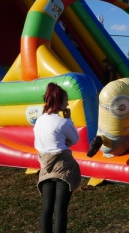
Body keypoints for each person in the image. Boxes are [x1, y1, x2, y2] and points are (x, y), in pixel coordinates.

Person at [34, 83, 81, 233]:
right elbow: (75, 139)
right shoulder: (63, 122)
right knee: (60, 210)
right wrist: (69, 120)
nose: (67, 103)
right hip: (63, 168)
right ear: (59, 101)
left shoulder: (40, 120)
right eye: (66, 100)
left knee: (47, 208)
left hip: (45, 168)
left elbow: (40, 142)